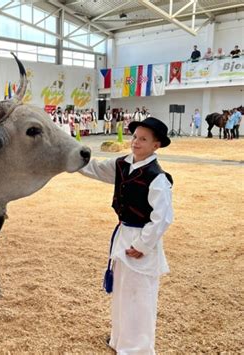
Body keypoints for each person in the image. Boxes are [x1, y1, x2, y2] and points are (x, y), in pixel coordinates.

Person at [79, 117, 173, 354]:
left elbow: (162, 217)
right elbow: (97, 168)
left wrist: (143, 244)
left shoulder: (158, 178)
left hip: (141, 239)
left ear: (156, 145)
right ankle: (120, 340)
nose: (136, 142)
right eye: (134, 137)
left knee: (140, 295)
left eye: (143, 139)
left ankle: (138, 348)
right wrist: (73, 160)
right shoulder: (122, 165)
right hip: (123, 233)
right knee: (122, 290)